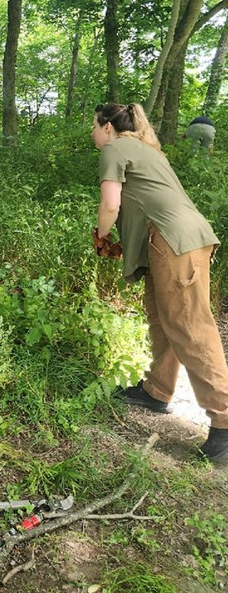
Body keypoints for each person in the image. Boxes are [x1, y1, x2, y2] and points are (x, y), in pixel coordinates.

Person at [92, 102, 228, 464]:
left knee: (190, 326)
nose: (92, 133)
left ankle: (224, 422)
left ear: (108, 127)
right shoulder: (146, 150)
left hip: (172, 242)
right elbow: (145, 205)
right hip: (180, 237)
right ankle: (158, 389)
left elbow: (110, 205)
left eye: (93, 126)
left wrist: (100, 236)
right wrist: (123, 244)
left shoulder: (115, 148)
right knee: (162, 316)